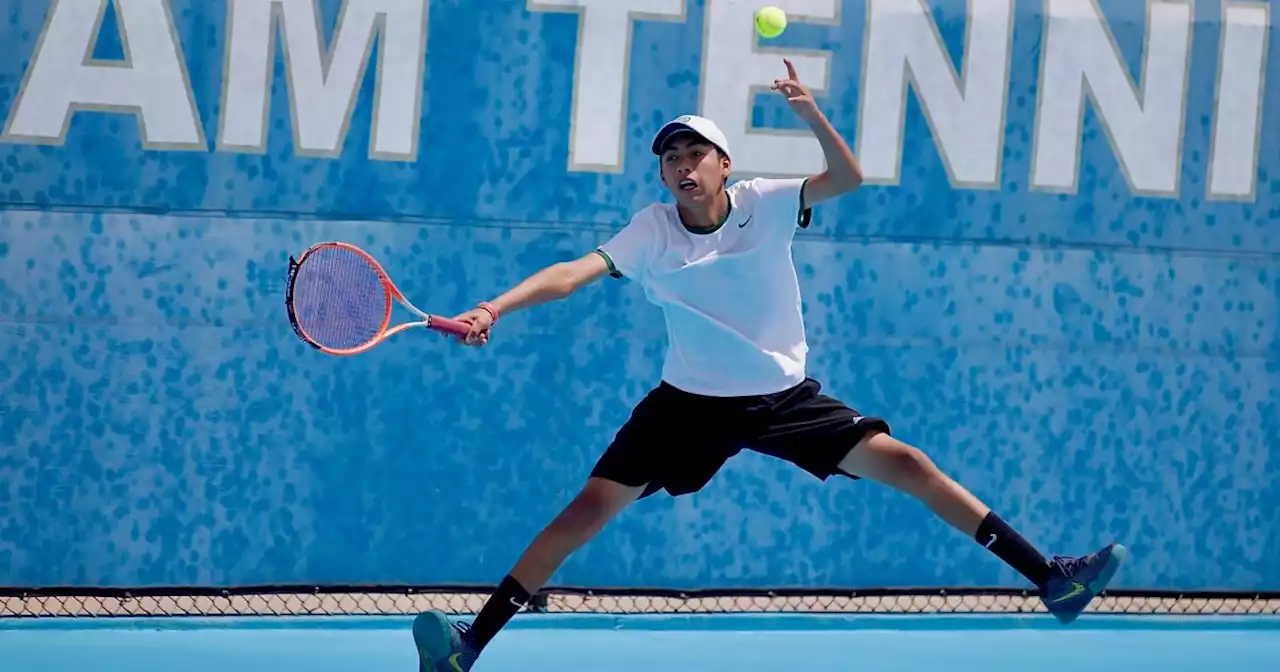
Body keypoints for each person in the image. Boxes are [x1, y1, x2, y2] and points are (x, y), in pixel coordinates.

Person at [411, 59, 1127, 671]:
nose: (683, 167)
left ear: (725, 165)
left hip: (782, 398)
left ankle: (1052, 580)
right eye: (671, 159)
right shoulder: (651, 231)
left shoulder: (769, 203)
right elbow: (573, 272)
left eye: (696, 155)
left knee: (908, 463)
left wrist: (812, 114)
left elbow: (847, 176)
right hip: (686, 405)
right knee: (587, 510)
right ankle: (468, 646)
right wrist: (494, 308)